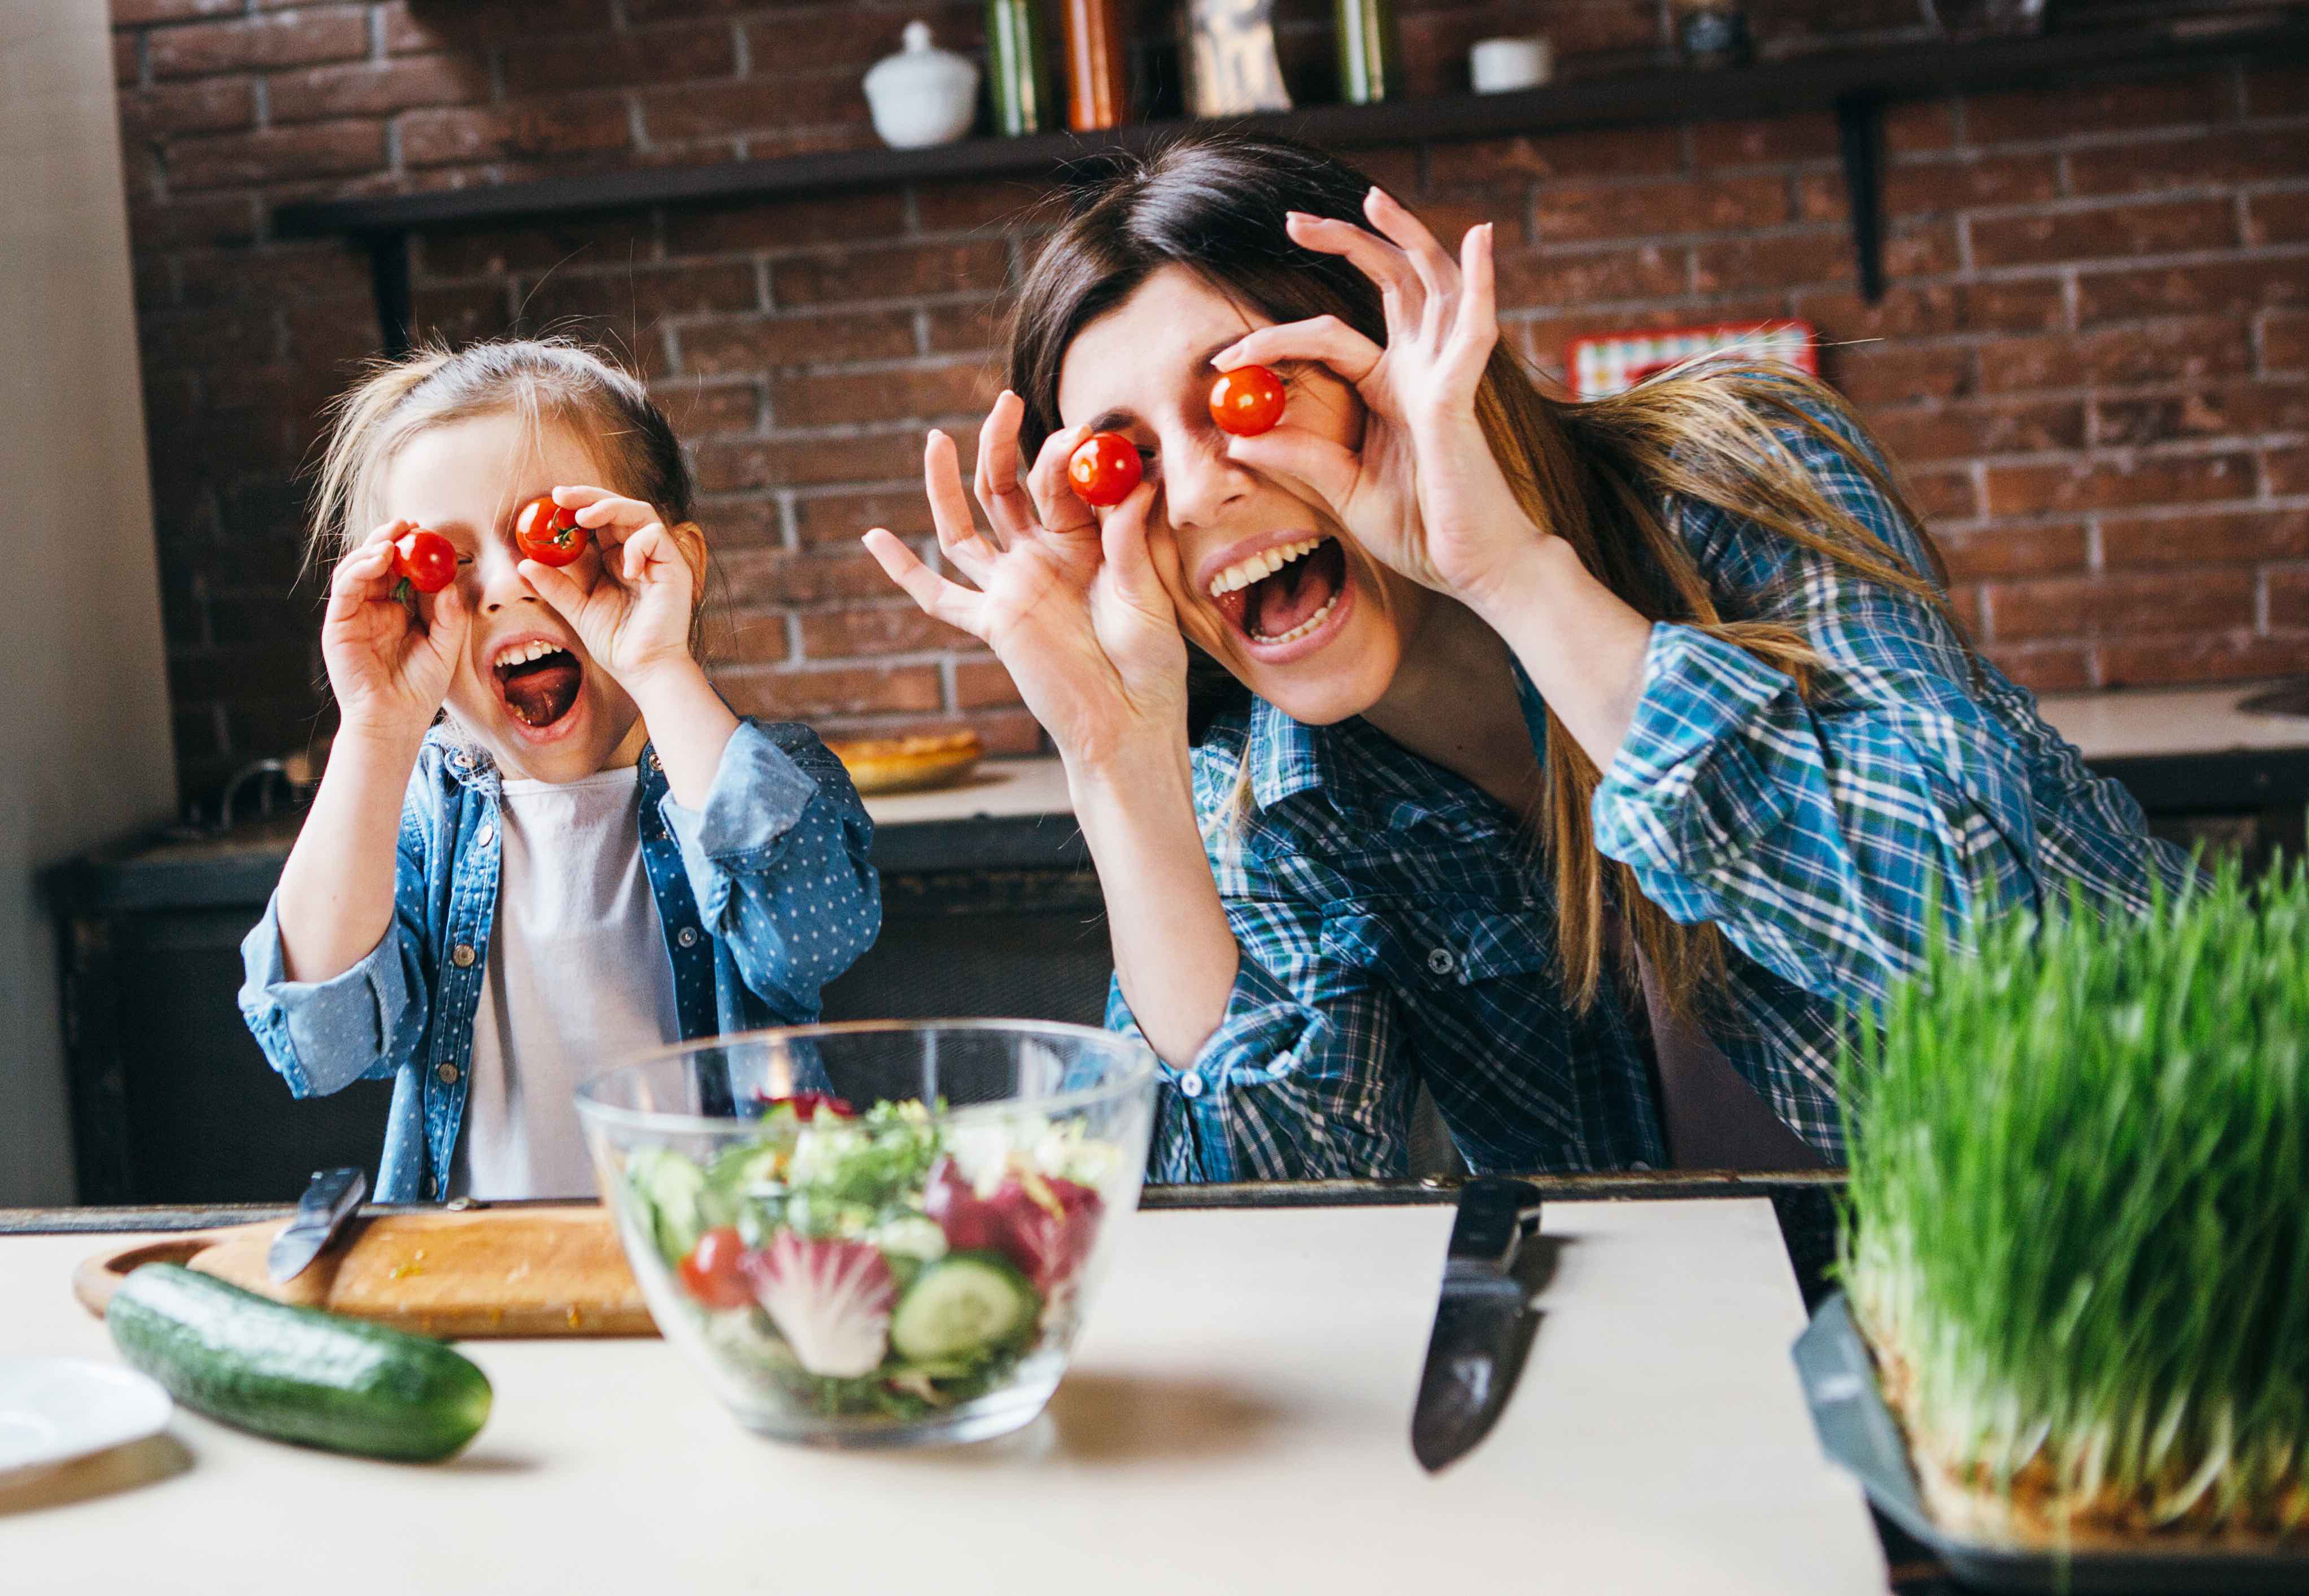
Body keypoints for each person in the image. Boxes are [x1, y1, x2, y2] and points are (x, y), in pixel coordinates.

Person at [863, 134, 2192, 1183]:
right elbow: (1257, 1213)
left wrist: (1503, 571)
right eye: (1122, 459)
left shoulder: (1734, 476)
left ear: (1386, 365)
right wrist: (1118, 760)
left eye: (1242, 392)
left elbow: (1987, 943)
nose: (1200, 491)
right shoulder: (1270, 799)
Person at [239, 339, 880, 1202]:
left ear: (673, 563)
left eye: (555, 534)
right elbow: (323, 1043)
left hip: (730, 1262)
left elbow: (814, 938)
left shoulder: (756, 772)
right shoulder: (422, 806)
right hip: (490, 1273)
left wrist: (659, 664)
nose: (501, 588)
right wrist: (377, 729)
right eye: (447, 559)